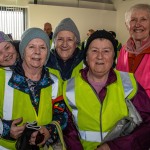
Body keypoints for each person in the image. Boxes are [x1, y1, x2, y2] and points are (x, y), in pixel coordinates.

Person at [63, 30, 150, 150]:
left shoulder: (129, 83)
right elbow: (68, 132)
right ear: (86, 56)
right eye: (94, 51)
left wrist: (113, 147)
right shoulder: (69, 87)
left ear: (114, 56)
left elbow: (147, 124)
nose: (100, 56)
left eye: (106, 51)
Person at [0, 27, 70, 149]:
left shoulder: (55, 80)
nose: (37, 52)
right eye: (31, 47)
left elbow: (61, 114)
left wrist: (49, 130)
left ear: (47, 53)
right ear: (23, 51)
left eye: (42, 47)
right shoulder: (2, 77)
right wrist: (5, 129)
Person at [116, 4, 150, 98]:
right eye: (133, 20)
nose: (137, 24)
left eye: (143, 19)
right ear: (127, 25)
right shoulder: (124, 50)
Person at [46, 17, 85, 82]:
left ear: (76, 43)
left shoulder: (86, 64)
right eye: (60, 39)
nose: (64, 44)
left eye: (69, 39)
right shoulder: (44, 62)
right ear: (54, 42)